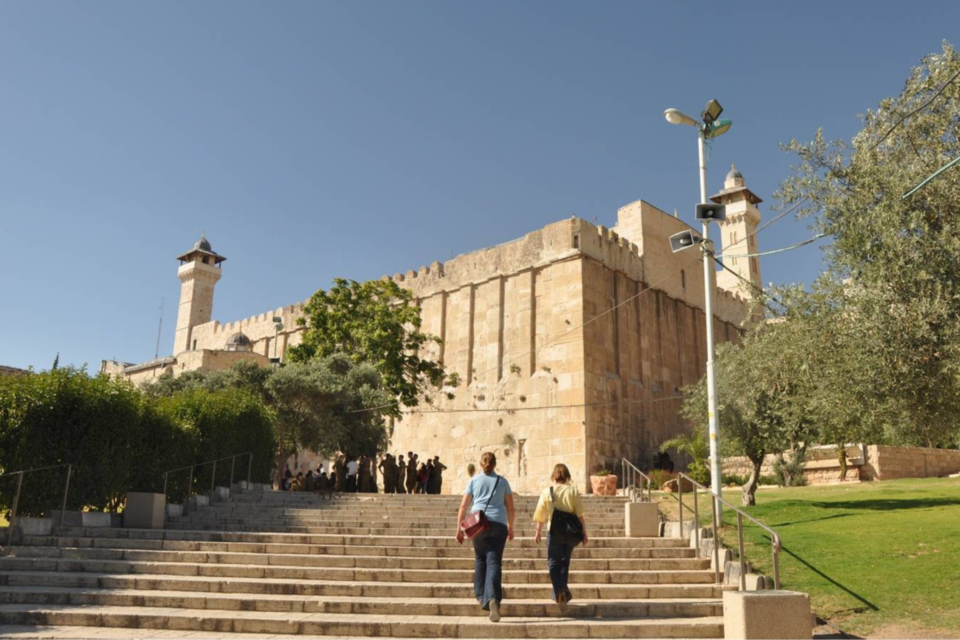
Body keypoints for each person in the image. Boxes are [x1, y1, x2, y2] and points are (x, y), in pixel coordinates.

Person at [456, 452, 514, 622]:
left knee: (480, 559)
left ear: (481, 464)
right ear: (495, 464)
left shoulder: (474, 481)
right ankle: (493, 599)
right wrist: (511, 527)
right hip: (498, 525)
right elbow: (510, 507)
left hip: (478, 524)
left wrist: (459, 529)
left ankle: (481, 596)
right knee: (494, 561)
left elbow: (463, 506)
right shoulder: (503, 482)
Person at [532, 463, 588, 604]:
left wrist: (538, 531)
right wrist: (584, 533)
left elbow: (541, 514)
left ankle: (561, 590)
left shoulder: (547, 492)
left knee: (553, 563)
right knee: (564, 563)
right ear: (567, 476)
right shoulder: (573, 491)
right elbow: (580, 515)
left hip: (554, 532)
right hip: (570, 533)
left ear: (554, 476)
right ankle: (559, 594)